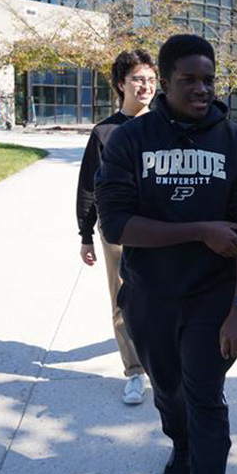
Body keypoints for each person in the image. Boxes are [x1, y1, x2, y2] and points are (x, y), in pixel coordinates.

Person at [95, 34, 237, 474]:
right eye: (189, 79)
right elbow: (115, 224)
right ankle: (181, 446)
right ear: (166, 81)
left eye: (208, 80)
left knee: (206, 398)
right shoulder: (129, 140)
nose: (201, 89)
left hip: (212, 298)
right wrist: (201, 229)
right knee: (168, 393)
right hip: (149, 297)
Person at [76, 49, 155, 405]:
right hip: (118, 231)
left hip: (161, 228)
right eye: (138, 78)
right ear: (121, 83)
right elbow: (89, 186)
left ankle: (163, 361)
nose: (146, 86)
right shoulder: (105, 132)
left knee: (163, 296)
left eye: (152, 80)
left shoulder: (166, 127)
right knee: (123, 299)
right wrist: (85, 234)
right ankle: (135, 371)